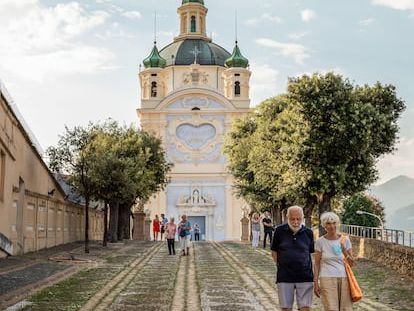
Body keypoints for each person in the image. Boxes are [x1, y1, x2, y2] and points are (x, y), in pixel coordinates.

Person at [271, 206, 314, 311]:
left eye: (298, 219)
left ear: (302, 218)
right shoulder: (279, 231)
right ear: (287, 217)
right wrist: (282, 266)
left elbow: (311, 253)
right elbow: (274, 252)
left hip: (305, 276)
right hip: (284, 276)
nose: (295, 222)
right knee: (286, 308)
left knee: (305, 308)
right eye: (292, 219)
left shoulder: (309, 232)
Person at [314, 212, 354, 311]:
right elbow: (317, 263)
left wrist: (344, 251)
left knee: (345, 308)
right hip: (326, 278)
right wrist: (315, 283)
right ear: (324, 226)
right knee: (331, 308)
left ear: (338, 224)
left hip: (344, 278)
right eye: (328, 223)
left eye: (334, 223)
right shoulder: (320, 242)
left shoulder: (345, 240)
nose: (332, 226)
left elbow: (352, 263)